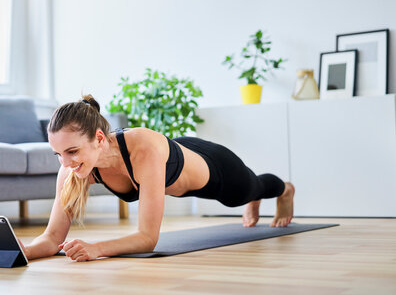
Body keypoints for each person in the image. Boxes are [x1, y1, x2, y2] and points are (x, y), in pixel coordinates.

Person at [19, 95, 295, 262]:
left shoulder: (143, 149)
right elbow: (52, 237)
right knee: (246, 193)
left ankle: (284, 190)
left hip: (214, 167)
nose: (65, 163)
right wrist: (25, 250)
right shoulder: (72, 169)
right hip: (175, 159)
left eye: (72, 151)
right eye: (57, 154)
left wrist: (97, 249)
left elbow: (147, 239)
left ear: (99, 138)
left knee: (247, 190)